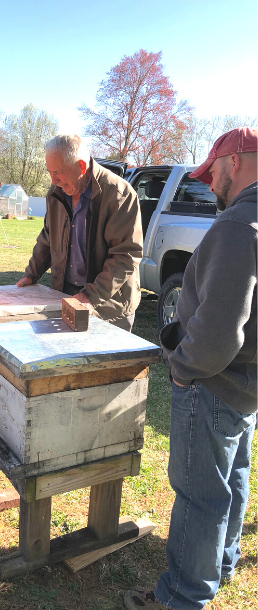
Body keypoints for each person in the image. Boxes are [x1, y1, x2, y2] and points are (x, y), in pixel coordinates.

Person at [124, 127, 257, 610]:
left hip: (214, 382)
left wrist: (181, 367)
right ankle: (219, 564)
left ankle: (182, 594)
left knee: (200, 493)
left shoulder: (238, 226)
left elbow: (219, 332)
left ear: (235, 162)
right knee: (230, 478)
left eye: (213, 170)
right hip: (246, 384)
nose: (209, 181)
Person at [16, 134, 143, 331]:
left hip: (108, 304)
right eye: (50, 172)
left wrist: (90, 296)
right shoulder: (55, 193)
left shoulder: (119, 195)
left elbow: (125, 256)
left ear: (82, 167)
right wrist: (31, 274)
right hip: (67, 295)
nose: (53, 180)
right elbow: (48, 238)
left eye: (58, 172)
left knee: (105, 360)